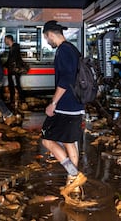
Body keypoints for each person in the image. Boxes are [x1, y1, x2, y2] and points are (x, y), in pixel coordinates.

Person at [41, 20, 86, 199]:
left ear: (51, 34)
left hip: (66, 106)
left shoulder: (64, 50)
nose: (47, 42)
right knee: (69, 143)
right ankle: (73, 182)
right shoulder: (72, 49)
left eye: (46, 38)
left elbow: (66, 79)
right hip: (75, 105)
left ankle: (74, 174)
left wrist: (53, 103)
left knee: (47, 140)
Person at [5, 35, 24, 103]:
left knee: (14, 85)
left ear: (9, 39)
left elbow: (12, 60)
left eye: (5, 40)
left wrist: (5, 65)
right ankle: (18, 100)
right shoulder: (13, 48)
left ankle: (17, 100)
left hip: (14, 70)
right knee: (15, 85)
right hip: (14, 70)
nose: (5, 41)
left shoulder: (14, 48)